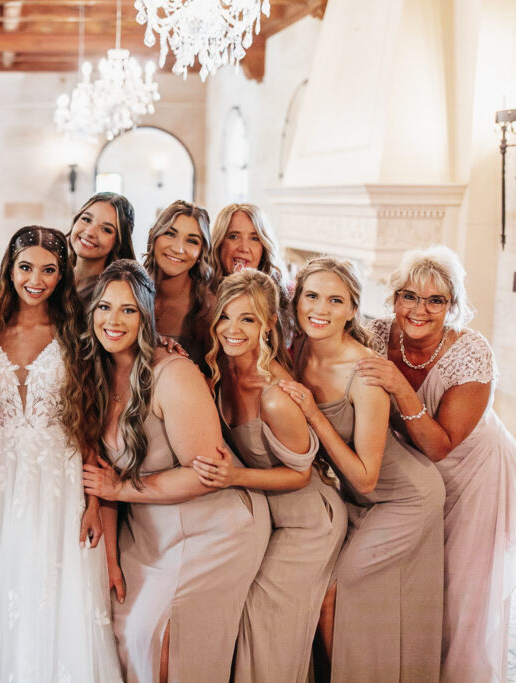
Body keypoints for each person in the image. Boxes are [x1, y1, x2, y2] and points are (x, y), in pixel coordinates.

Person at [0, 227, 121, 682]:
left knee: (55, 593)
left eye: (49, 270)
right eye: (26, 267)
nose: (37, 279)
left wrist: (95, 502)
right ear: (10, 270)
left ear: (62, 274)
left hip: (61, 477)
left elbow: (89, 421)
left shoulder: (78, 336)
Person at [81, 260, 270, 683]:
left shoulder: (173, 373)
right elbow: (101, 479)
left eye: (128, 310)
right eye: (105, 308)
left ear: (145, 317)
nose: (113, 320)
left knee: (165, 642)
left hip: (214, 528)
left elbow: (203, 474)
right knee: (123, 631)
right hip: (149, 533)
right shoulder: (93, 374)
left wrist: (121, 488)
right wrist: (110, 560)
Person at [358, 245, 516, 682]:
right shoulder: (374, 335)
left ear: (452, 306)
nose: (419, 309)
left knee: (460, 584)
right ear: (394, 298)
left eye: (436, 300)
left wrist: (399, 386)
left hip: (474, 468)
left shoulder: (472, 352)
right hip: (412, 473)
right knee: (416, 576)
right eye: (409, 296)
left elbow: (440, 446)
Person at [278, 256, 445, 681]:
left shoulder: (365, 373)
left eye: (336, 300)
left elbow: (367, 475)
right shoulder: (297, 350)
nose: (320, 309)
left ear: (353, 309)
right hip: (356, 499)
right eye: (312, 296)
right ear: (296, 301)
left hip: (405, 497)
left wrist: (314, 414)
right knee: (320, 587)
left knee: (334, 590)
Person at [193, 269, 346, 683]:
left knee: (265, 620)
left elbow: (300, 477)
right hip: (266, 519)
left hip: (308, 522)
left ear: (268, 325)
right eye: (225, 316)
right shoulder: (218, 373)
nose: (232, 329)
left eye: (248, 319)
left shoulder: (277, 395)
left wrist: (232, 477)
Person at [142, 200, 215, 374]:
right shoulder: (130, 288)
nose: (178, 248)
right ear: (153, 236)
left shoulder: (209, 308)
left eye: (192, 241)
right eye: (170, 234)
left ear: (201, 252)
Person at [207, 203, 292, 340]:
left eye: (254, 238)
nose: (244, 248)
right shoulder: (200, 295)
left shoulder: (285, 299)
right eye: (234, 236)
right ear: (219, 242)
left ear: (264, 246)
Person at [66, 192, 136, 301]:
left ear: (118, 242)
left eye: (106, 229)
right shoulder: (54, 275)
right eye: (86, 219)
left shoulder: (112, 293)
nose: (90, 232)